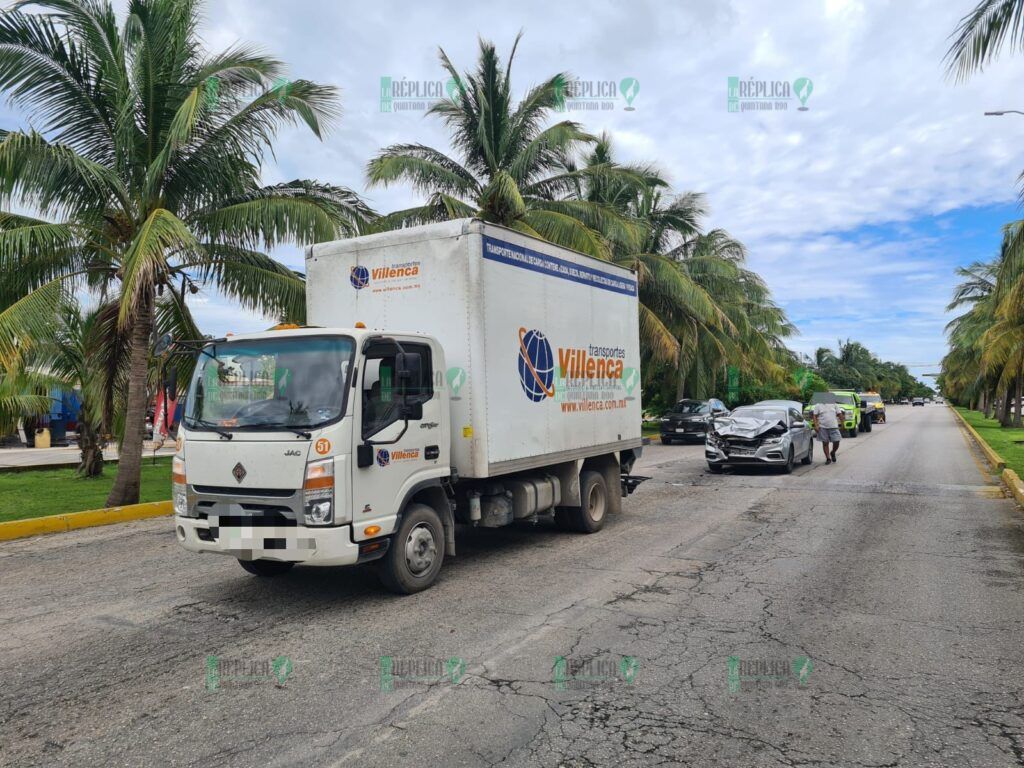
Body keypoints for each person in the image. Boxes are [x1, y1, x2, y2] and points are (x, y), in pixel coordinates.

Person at [811, 393, 845, 465]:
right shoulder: (818, 405)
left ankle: (833, 452)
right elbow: (814, 416)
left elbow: (839, 414)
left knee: (837, 441)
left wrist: (842, 424)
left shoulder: (834, 404)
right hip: (823, 427)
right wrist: (816, 425)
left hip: (834, 426)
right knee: (825, 443)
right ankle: (828, 458)